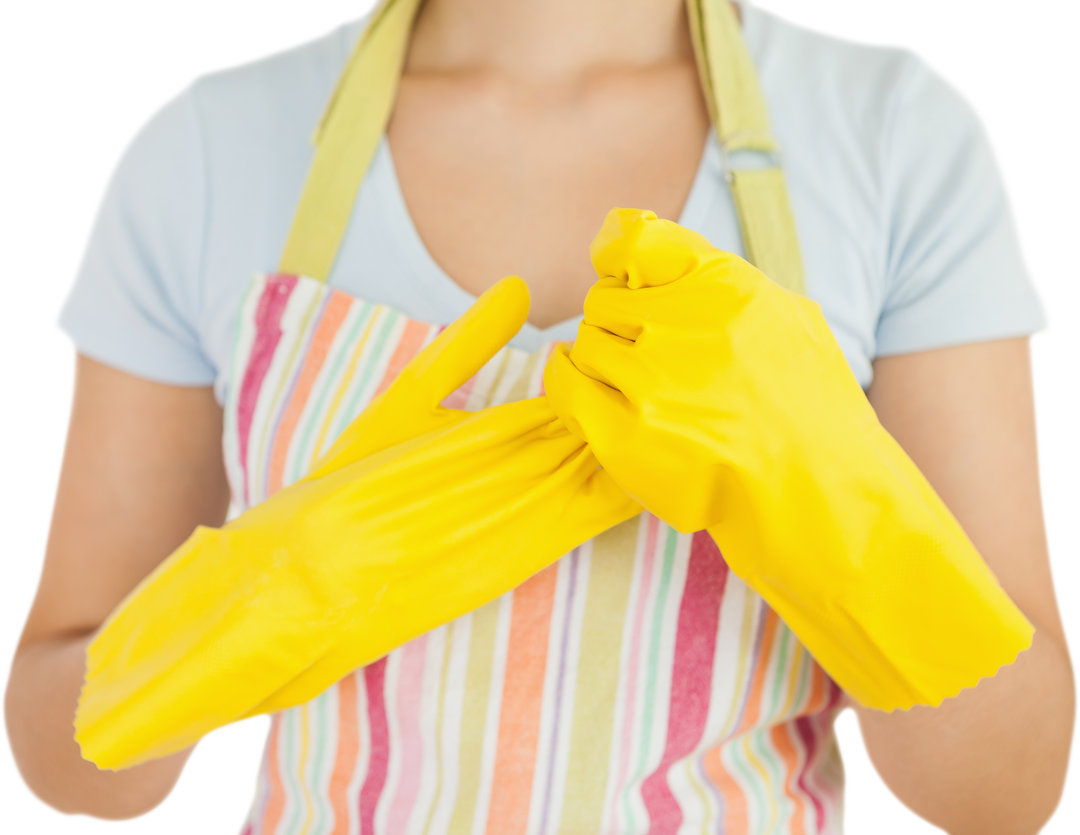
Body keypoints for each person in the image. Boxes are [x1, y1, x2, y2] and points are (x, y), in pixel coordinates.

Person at [2, 0, 1074, 833]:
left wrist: (835, 512)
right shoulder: (207, 144)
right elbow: (68, 761)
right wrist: (228, 611)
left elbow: (1003, 793)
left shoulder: (895, 135)